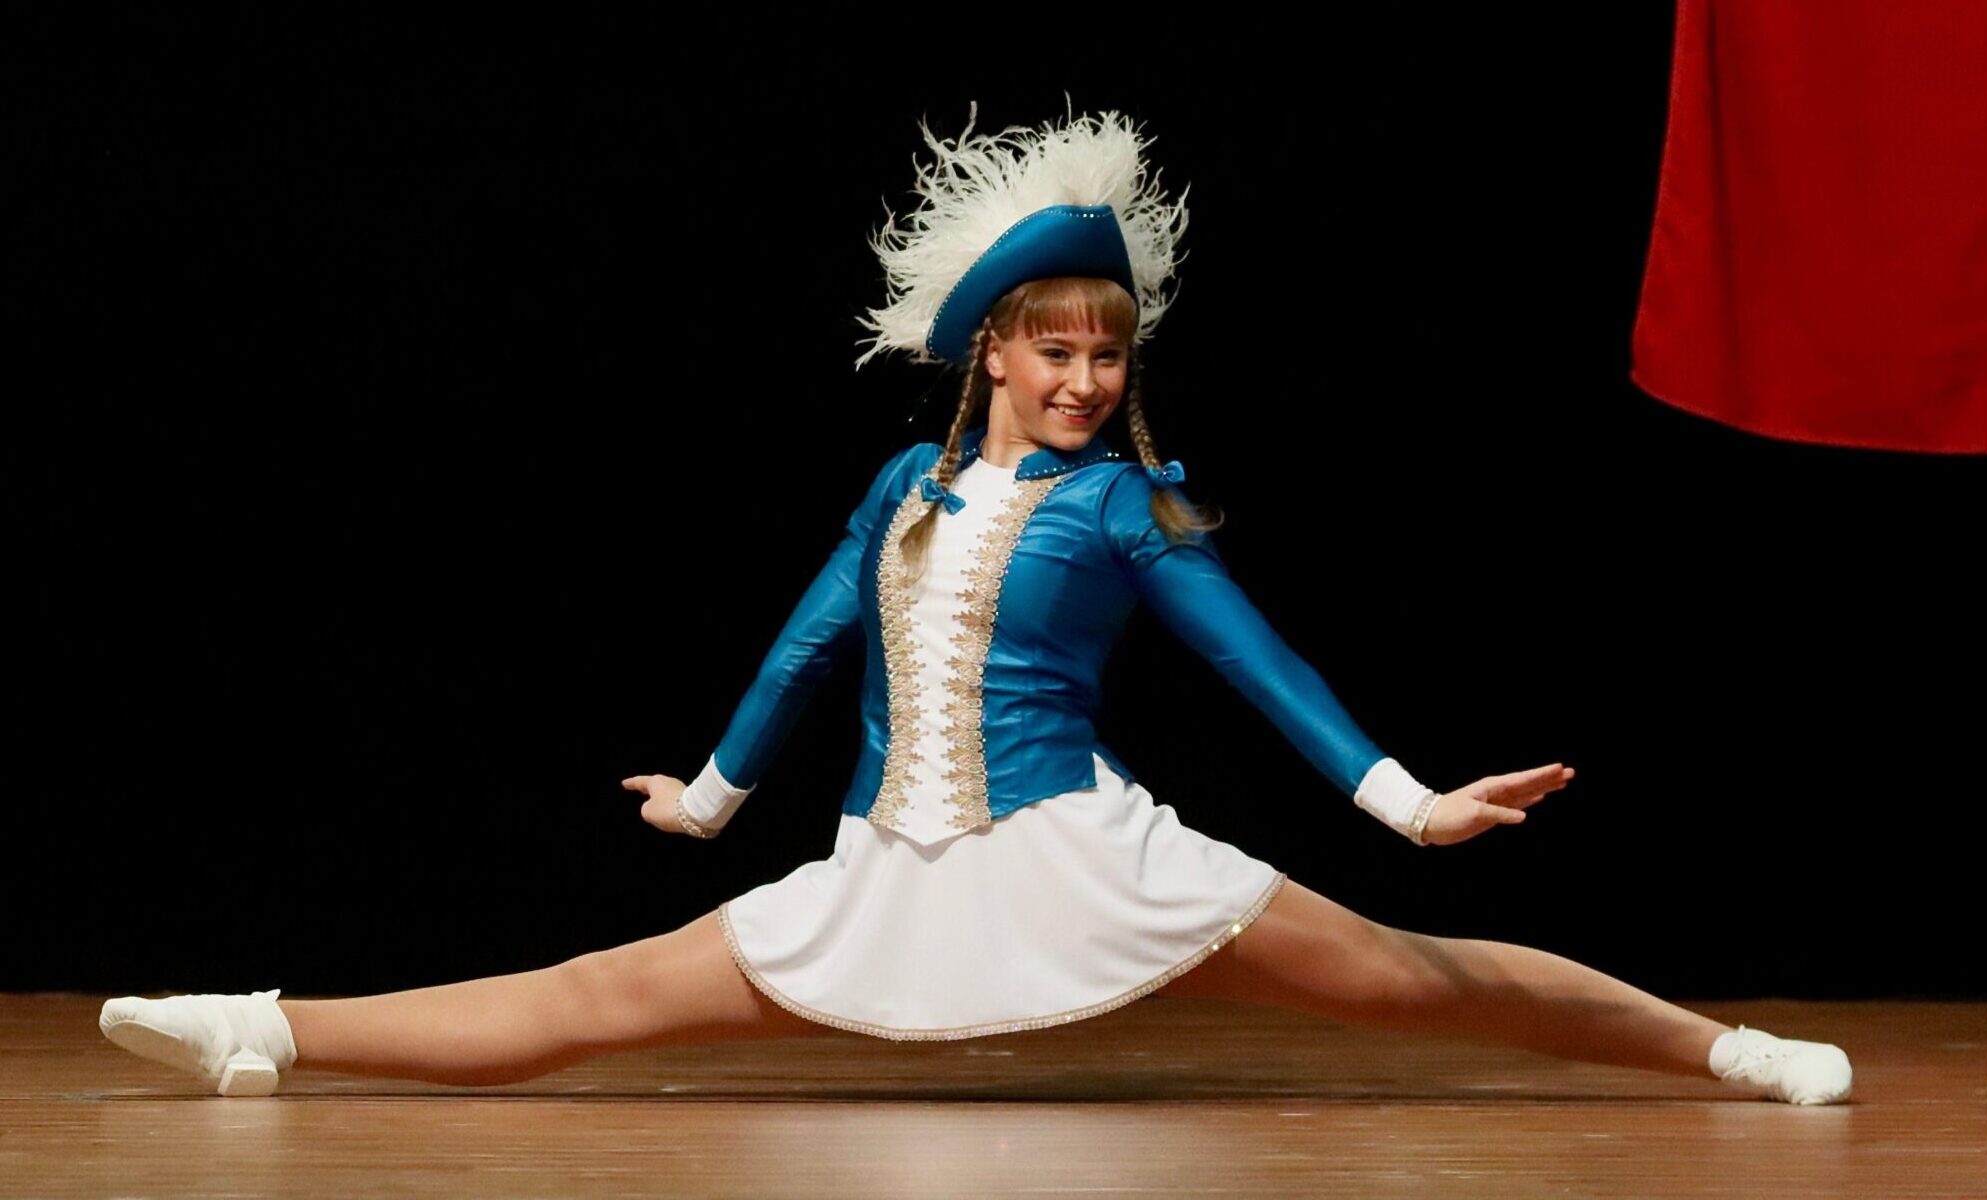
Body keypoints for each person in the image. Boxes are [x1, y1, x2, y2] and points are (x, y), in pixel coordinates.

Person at [99, 103, 1853, 1106]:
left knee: (1424, 981)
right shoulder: (903, 485)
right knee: (589, 996)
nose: (1083, 379)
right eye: (1054, 351)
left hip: (1080, 855)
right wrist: (710, 796)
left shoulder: (1132, 507)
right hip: (891, 863)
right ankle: (262, 1027)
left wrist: (1408, 803)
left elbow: (1259, 662)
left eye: (1106, 355)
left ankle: (1729, 1052)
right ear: (993, 352)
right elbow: (812, 638)